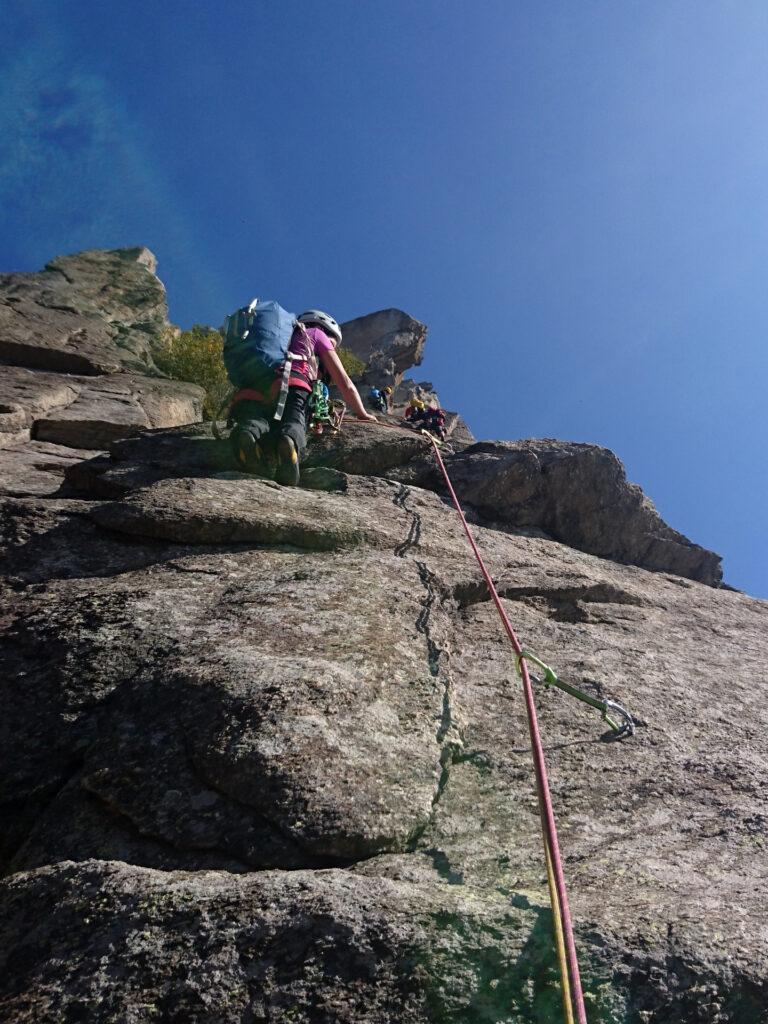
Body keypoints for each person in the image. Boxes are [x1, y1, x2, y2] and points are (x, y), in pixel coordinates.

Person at [231, 309, 376, 485]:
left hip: (252, 388)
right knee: (294, 422)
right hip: (292, 384)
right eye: (333, 342)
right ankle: (289, 442)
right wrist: (362, 413)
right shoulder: (316, 333)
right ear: (324, 328)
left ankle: (248, 433)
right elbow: (345, 382)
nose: (333, 346)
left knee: (257, 420)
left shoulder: (277, 335)